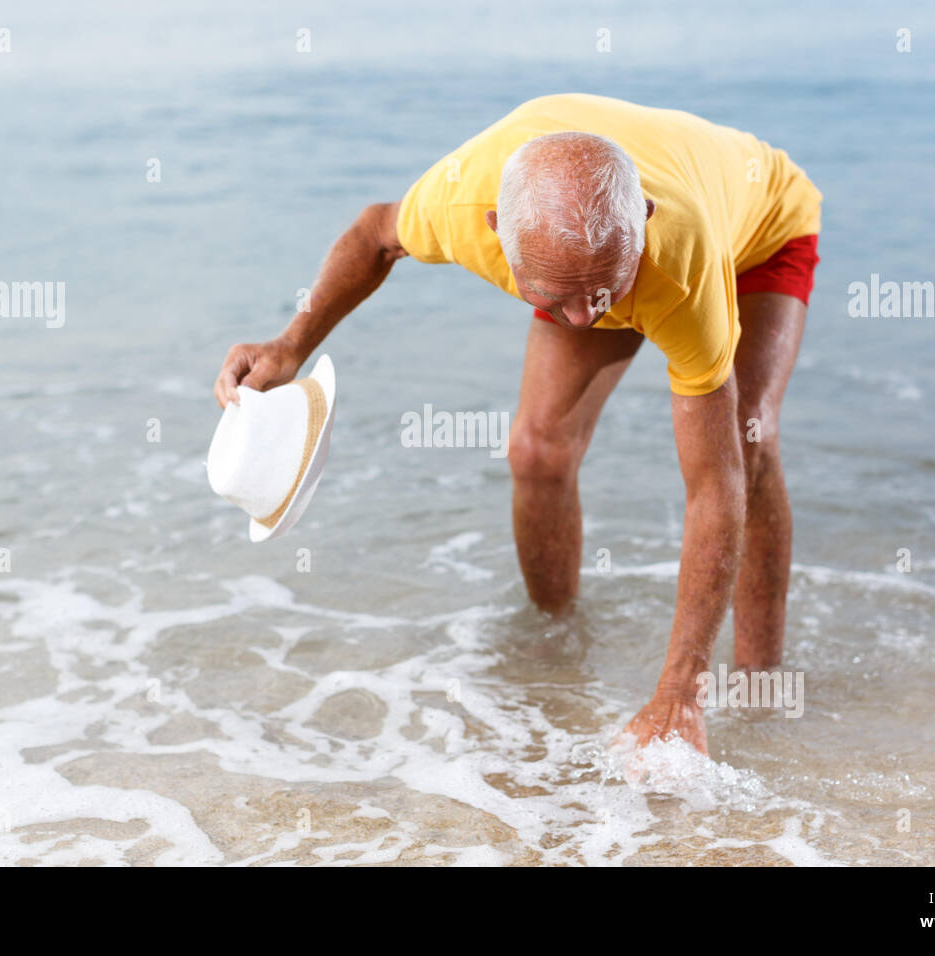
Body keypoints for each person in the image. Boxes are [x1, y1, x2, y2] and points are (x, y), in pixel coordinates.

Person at [214, 93, 822, 754]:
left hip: (761, 227)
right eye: (557, 296)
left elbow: (711, 485)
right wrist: (291, 344)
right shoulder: (457, 208)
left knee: (746, 436)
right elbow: (373, 234)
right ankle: (553, 641)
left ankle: (761, 689)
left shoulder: (675, 257)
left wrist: (678, 689)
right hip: (589, 247)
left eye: (599, 295)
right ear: (497, 228)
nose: (586, 321)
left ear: (643, 216)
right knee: (536, 451)